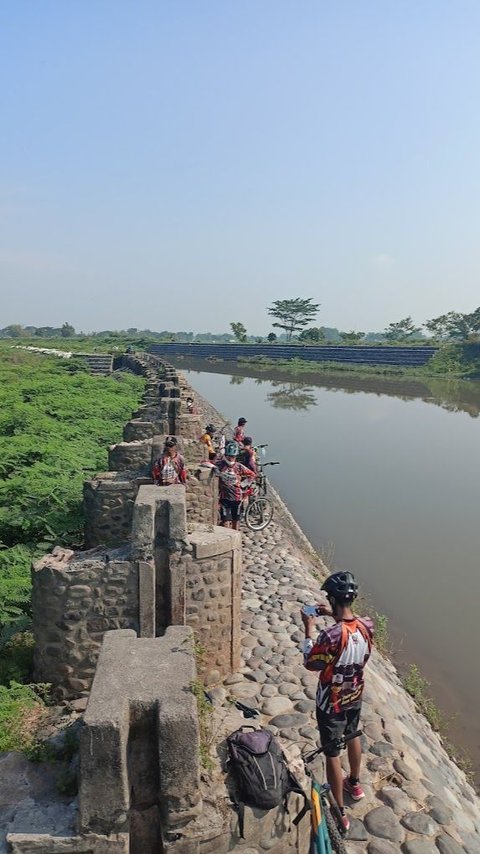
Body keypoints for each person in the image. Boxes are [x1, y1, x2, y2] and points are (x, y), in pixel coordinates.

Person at [301, 571, 374, 832]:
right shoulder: (367, 626)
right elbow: (348, 627)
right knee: (353, 734)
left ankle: (339, 810)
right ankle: (354, 782)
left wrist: (309, 628)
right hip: (355, 692)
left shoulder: (330, 636)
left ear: (332, 598)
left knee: (332, 751)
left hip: (331, 700)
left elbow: (312, 663)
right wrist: (332, 613)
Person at [216, 440, 256, 530]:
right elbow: (208, 463)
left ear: (236, 457)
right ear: (226, 456)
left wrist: (243, 484)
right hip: (224, 498)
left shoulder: (239, 467)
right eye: (229, 457)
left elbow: (252, 475)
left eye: (233, 457)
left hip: (237, 498)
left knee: (236, 521)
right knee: (225, 521)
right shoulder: (220, 464)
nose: (231, 459)